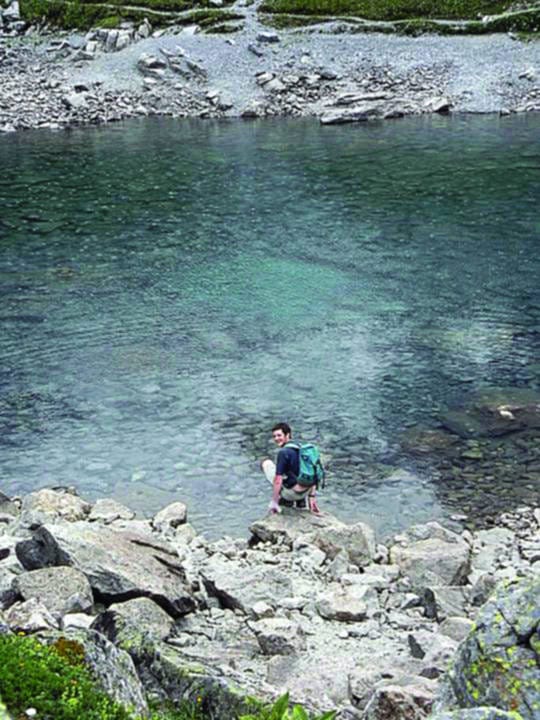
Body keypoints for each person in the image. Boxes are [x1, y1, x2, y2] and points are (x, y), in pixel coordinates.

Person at [261, 422, 320, 515]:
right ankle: (301, 502)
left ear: (287, 435)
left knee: (267, 464)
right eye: (274, 436)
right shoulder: (302, 448)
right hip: (306, 491)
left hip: (292, 494)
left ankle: (286, 500)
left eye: (279, 435)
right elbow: (313, 472)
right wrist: (312, 498)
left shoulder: (283, 452)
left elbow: (277, 480)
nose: (276, 438)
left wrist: (274, 502)